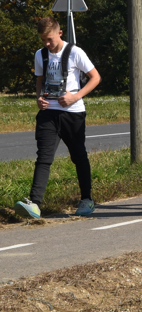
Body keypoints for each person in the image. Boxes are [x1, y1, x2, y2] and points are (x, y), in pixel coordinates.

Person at [16, 17, 101, 219]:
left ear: (59, 33)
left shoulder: (75, 52)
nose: (47, 43)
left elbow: (95, 77)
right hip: (48, 114)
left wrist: (75, 96)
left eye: (50, 39)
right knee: (43, 158)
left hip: (73, 114)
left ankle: (86, 199)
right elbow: (40, 80)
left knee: (79, 156)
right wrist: (39, 98)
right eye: (43, 40)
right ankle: (35, 204)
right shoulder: (40, 54)